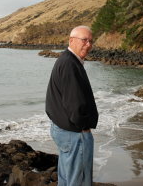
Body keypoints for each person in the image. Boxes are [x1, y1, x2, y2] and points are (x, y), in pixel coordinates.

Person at [45, 25, 99, 186]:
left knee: (67, 177)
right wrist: (83, 127)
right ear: (71, 40)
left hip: (62, 129)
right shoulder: (70, 64)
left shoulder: (67, 60)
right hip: (73, 132)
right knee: (79, 180)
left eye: (90, 41)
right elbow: (74, 102)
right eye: (84, 40)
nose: (88, 44)